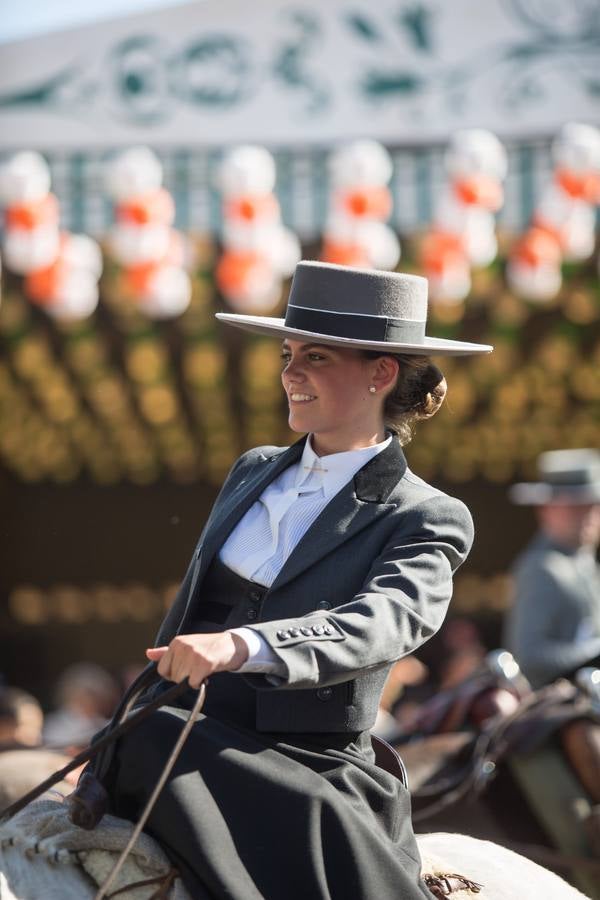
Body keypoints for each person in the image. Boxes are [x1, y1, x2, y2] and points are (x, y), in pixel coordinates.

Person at [104, 261, 491, 900]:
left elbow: (384, 621)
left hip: (307, 760)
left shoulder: (428, 515)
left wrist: (245, 646)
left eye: (315, 356)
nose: (290, 372)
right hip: (170, 724)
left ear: (381, 373)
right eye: (287, 354)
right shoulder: (252, 469)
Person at [504, 449, 600, 688]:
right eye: (574, 506)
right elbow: (530, 659)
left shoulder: (584, 561)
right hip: (559, 713)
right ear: (546, 509)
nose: (587, 515)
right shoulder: (541, 568)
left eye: (592, 505)